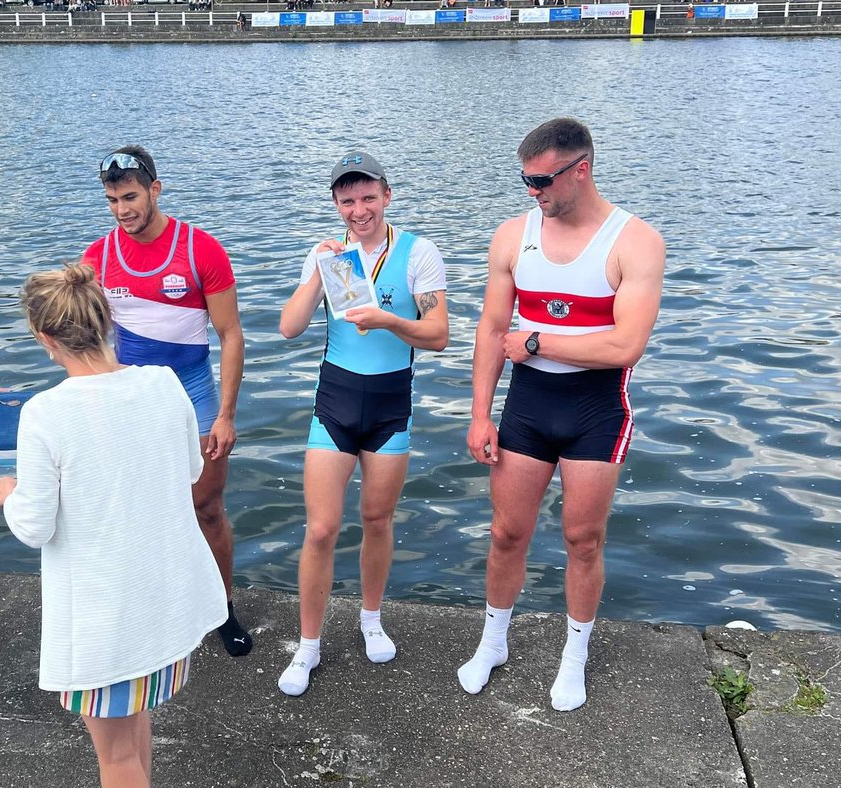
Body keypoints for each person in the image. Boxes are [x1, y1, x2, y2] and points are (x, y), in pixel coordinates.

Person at [459, 118, 665, 712]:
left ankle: (574, 656)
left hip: (596, 409)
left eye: (543, 180)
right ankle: (493, 640)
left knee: (582, 539)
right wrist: (480, 414)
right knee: (506, 533)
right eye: (524, 180)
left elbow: (624, 346)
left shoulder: (636, 242)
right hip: (527, 406)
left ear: (582, 170)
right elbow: (493, 330)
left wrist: (538, 341)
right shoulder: (511, 236)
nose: (532, 192)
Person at [0, 264, 226, 788]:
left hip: (108, 620)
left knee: (116, 759)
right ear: (104, 319)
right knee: (135, 727)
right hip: (165, 604)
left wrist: (8, 494)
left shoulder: (45, 412)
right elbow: (191, 470)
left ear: (44, 337)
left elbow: (33, 526)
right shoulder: (164, 382)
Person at [277, 151, 449, 697]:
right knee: (322, 528)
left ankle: (371, 619)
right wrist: (317, 275)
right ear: (336, 204)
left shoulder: (419, 252)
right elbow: (288, 328)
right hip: (336, 402)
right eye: (347, 200)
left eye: (368, 197)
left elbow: (439, 334)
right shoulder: (327, 254)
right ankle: (308, 646)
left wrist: (390, 320)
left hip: (390, 407)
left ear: (387, 196)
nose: (359, 210)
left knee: (377, 519)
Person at [82, 146, 251, 656]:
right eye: (112, 200)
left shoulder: (201, 250)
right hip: (132, 403)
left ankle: (221, 609)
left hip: (194, 395)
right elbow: (89, 343)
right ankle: (156, 608)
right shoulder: (98, 257)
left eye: (130, 196)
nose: (122, 210)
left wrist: (225, 415)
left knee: (206, 508)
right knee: (137, 511)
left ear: (156, 189)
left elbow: (231, 335)